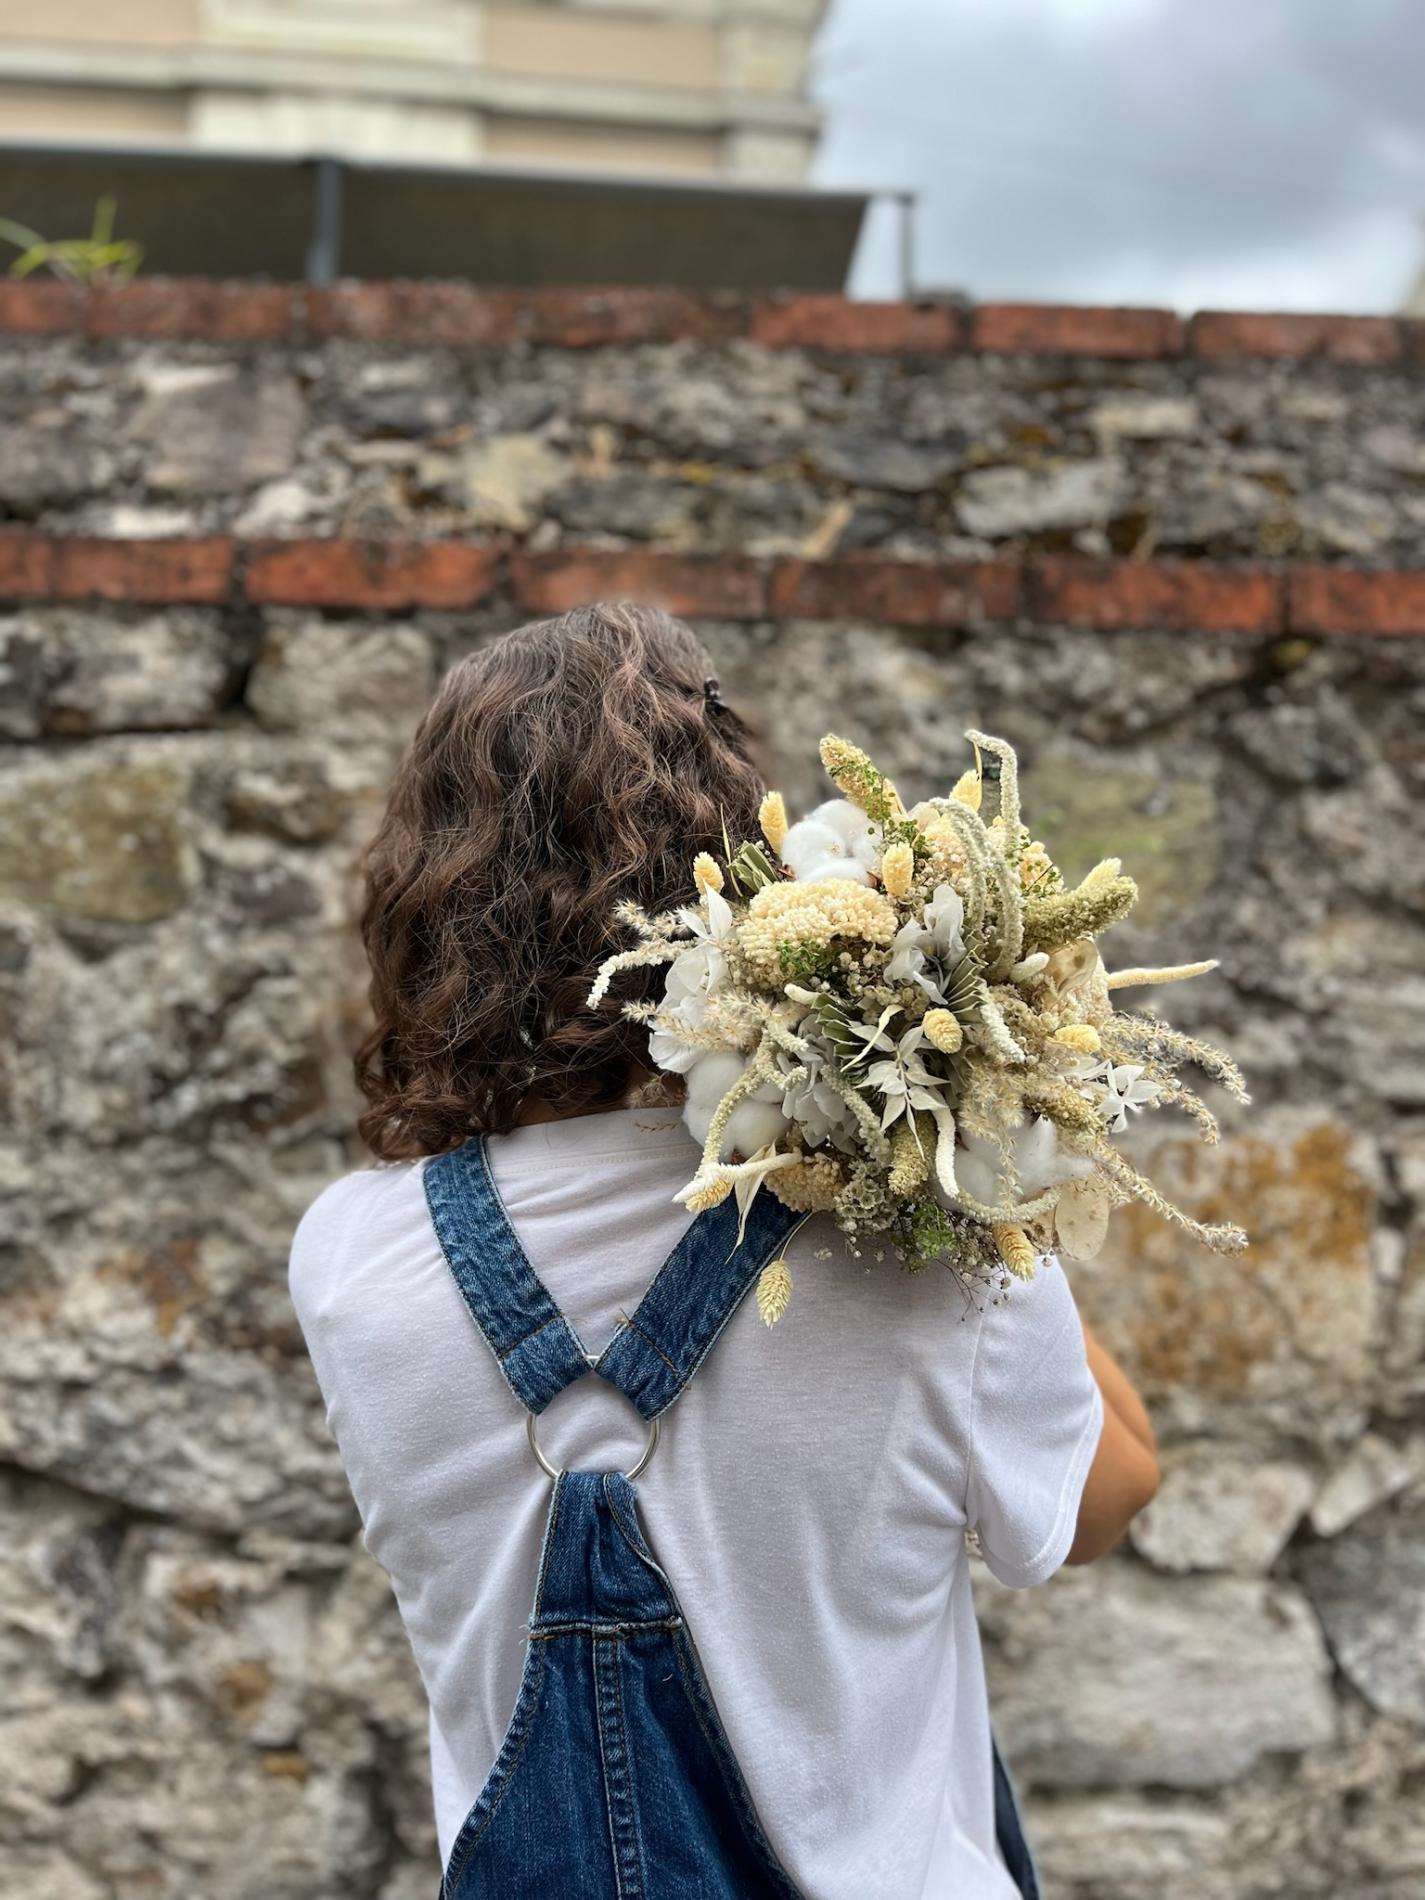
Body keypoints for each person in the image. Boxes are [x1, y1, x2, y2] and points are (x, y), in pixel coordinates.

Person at [288, 602, 1160, 1900]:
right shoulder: (905, 1245)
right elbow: (1110, 1496)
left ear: (422, 907)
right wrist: (988, 1152)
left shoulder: (348, 1256)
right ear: (751, 873)